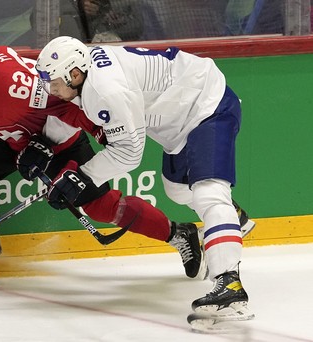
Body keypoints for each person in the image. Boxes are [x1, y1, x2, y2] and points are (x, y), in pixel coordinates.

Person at [0, 31, 205, 284]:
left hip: (59, 144)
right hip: (12, 139)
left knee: (102, 207)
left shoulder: (16, 85)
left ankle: (178, 233)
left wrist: (64, 139)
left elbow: (67, 101)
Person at [34, 36, 255, 321]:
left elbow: (129, 154)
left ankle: (230, 284)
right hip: (179, 120)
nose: (49, 89)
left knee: (208, 192)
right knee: (177, 190)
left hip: (206, 105)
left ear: (74, 74)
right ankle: (230, 216)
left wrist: (81, 177)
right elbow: (74, 112)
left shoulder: (104, 90)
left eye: (53, 82)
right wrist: (52, 148)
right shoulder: (84, 70)